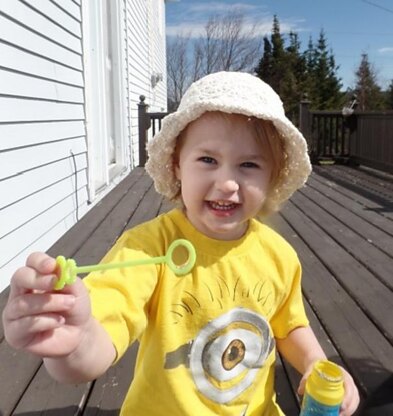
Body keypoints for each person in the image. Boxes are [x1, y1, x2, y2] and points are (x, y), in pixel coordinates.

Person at [2, 72, 359, 416]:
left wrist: (314, 361)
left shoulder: (278, 255)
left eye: (248, 165)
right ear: (177, 166)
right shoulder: (146, 249)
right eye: (207, 160)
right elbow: (96, 345)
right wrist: (74, 341)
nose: (227, 183)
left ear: (272, 177)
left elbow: (289, 323)